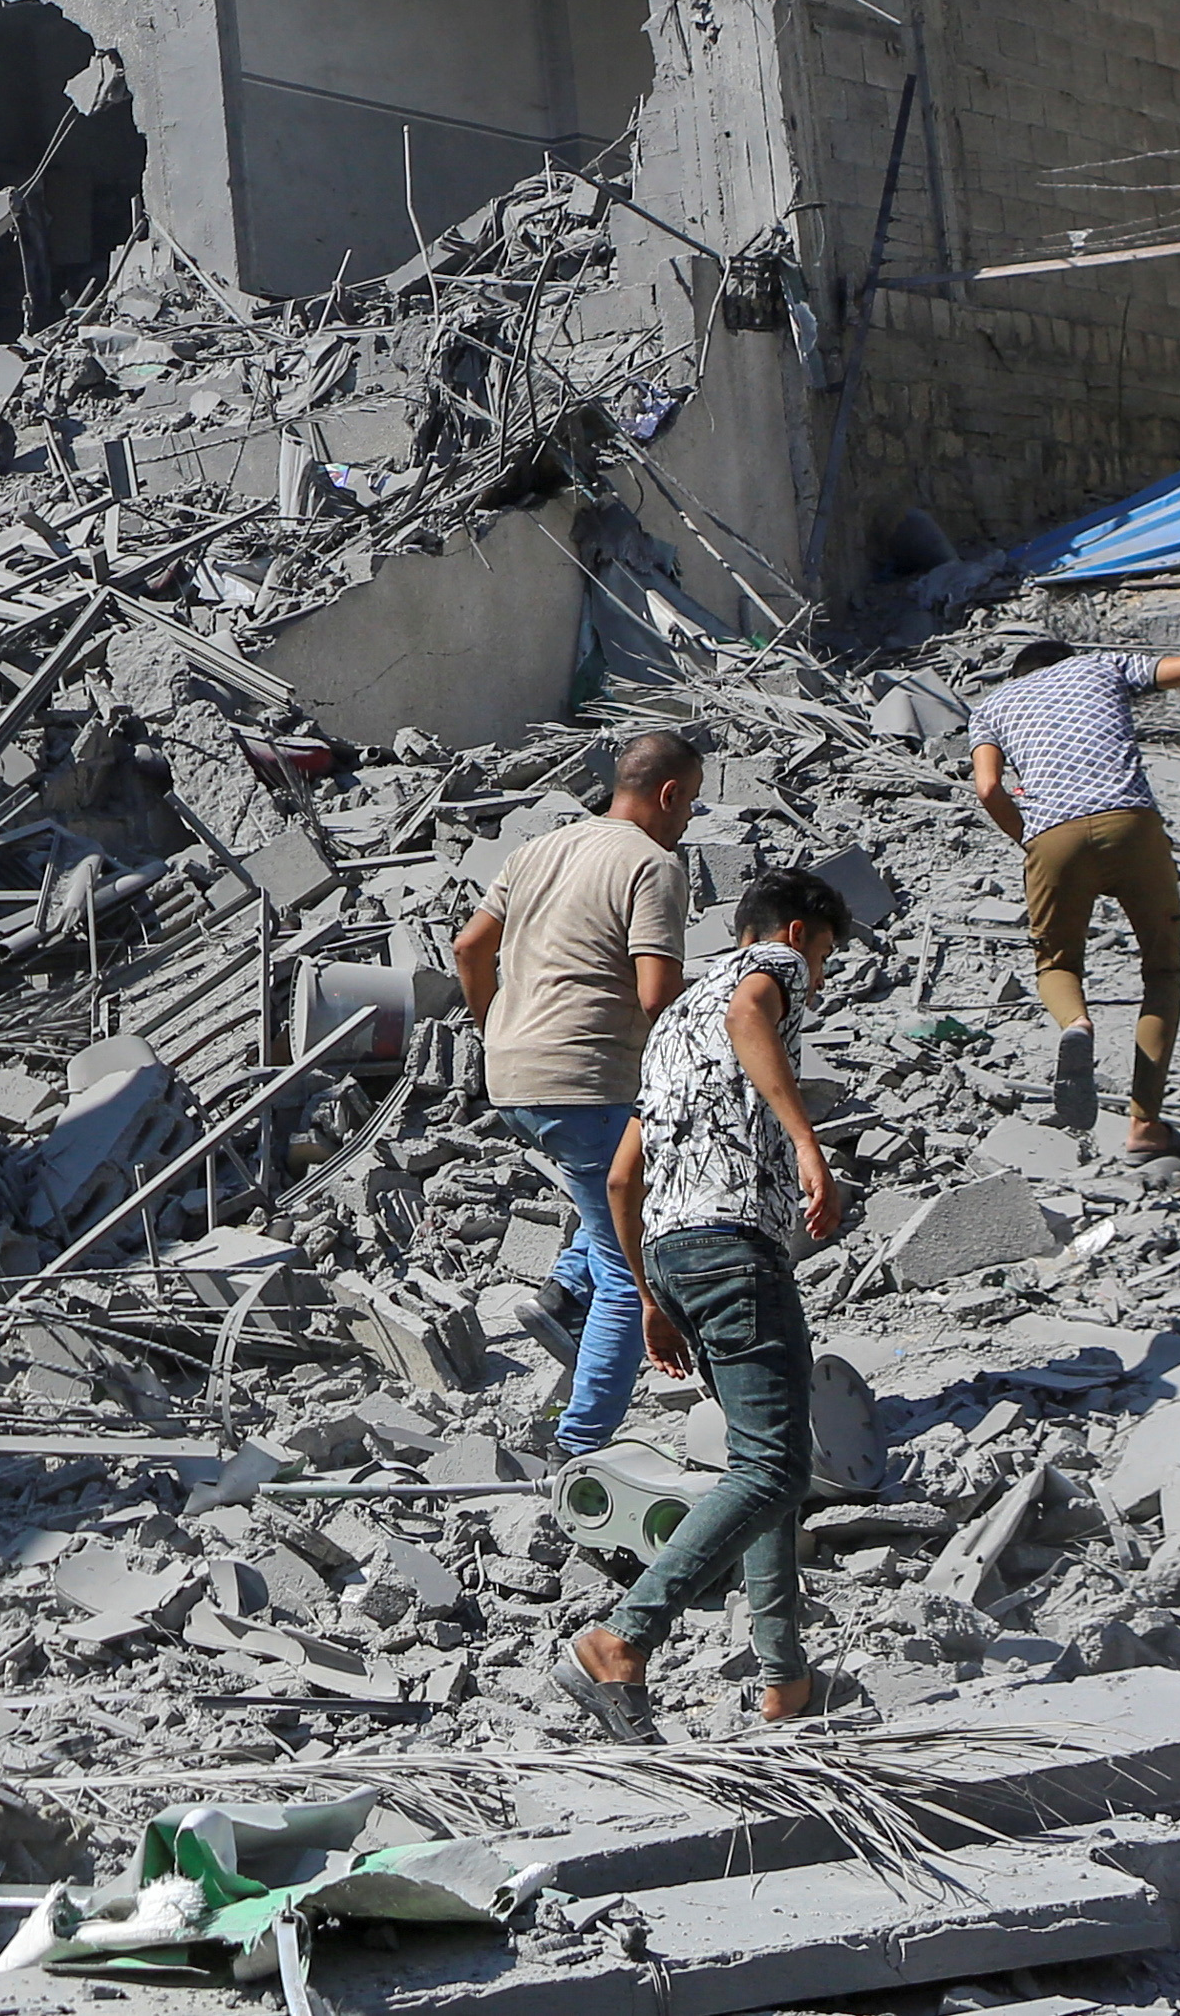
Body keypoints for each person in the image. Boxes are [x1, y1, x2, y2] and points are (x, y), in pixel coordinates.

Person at [555, 864, 859, 1743]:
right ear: (798, 934)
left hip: (674, 1253)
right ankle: (622, 1638)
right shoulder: (767, 974)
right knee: (774, 1469)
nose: (822, 978)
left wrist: (651, 1294)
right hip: (735, 1245)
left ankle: (784, 1681)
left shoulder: (671, 1022)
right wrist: (807, 1144)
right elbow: (750, 1016)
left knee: (761, 1468)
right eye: (827, 956)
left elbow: (622, 1177)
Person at [449, 729, 699, 1458]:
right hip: (588, 1077)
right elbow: (657, 994)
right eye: (690, 805)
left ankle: (562, 1294)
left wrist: (494, 1023)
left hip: (512, 1072)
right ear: (669, 794)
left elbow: (469, 947)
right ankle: (579, 1444)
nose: (687, 821)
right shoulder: (654, 865)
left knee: (607, 1199)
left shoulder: (537, 850)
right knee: (634, 1267)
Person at [964, 630, 1180, 1157]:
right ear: (1063, 662)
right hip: (1132, 826)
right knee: (1162, 972)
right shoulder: (1101, 667)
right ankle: (1145, 1126)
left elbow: (987, 789)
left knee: (1057, 964)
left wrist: (1028, 838)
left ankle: (1077, 1024)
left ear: (1017, 676)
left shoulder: (992, 706)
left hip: (1053, 841)